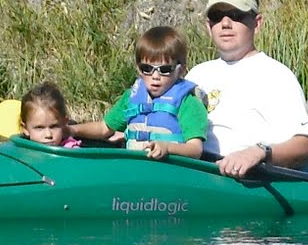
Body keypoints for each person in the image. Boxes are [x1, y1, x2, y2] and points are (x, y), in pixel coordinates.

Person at [186, 0, 308, 178]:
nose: (225, 24)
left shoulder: (277, 76)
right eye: (217, 17)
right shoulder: (196, 74)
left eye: (236, 15)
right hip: (197, 173)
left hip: (248, 179)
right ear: (208, 26)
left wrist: (259, 152)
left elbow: (302, 147)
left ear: (257, 23)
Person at [71, 26, 207, 160]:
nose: (155, 76)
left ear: (181, 70)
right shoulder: (131, 97)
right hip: (134, 169)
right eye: (147, 68)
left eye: (165, 69)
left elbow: (195, 149)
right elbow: (104, 128)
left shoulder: (188, 103)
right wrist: (72, 130)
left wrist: (167, 147)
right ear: (138, 69)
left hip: (169, 172)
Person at [19, 82, 81, 147]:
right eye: (39, 127)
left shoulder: (70, 150)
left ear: (64, 124)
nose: (48, 135)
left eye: (54, 126)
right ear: (25, 129)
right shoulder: (21, 149)